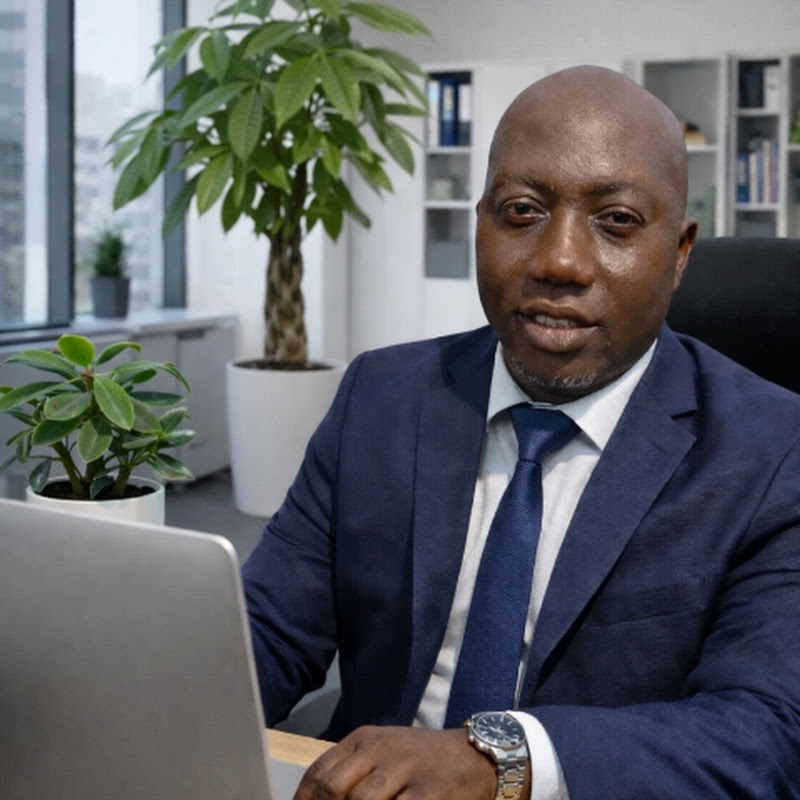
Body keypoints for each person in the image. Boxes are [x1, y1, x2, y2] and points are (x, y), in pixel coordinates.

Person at [241, 64, 800, 799]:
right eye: (522, 211)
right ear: (480, 222)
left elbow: (765, 733)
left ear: (680, 252)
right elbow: (266, 632)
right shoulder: (383, 396)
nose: (558, 260)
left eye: (617, 221)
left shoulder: (773, 451)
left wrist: (500, 762)